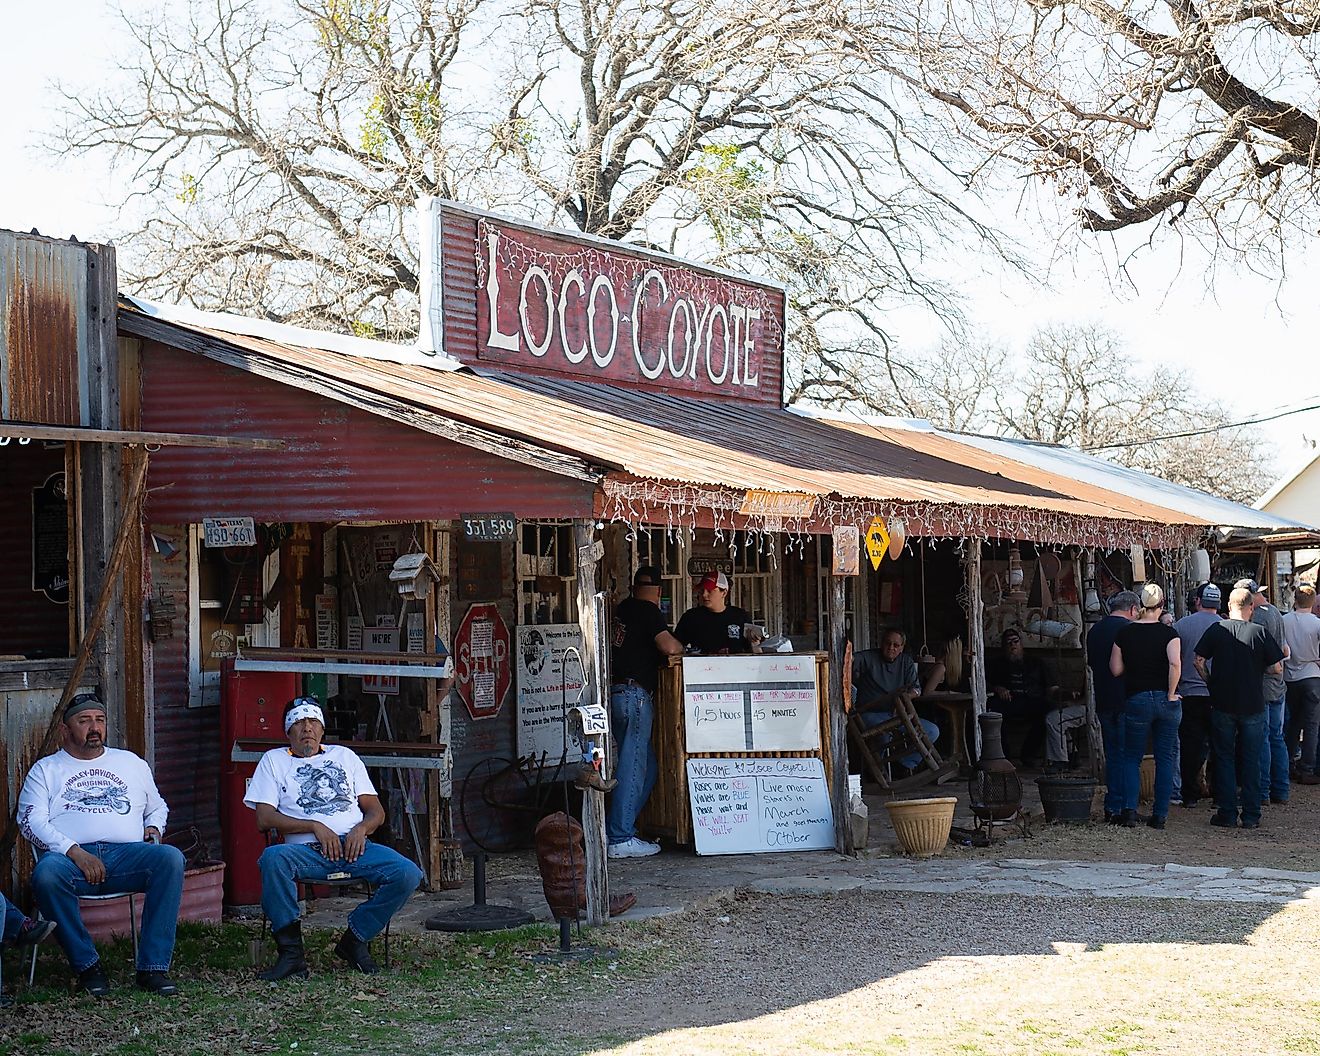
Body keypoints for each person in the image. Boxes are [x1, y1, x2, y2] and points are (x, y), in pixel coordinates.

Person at [18, 692, 185, 998]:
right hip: (68, 859)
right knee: (46, 875)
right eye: (84, 721)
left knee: (170, 859)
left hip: (126, 856)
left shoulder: (130, 762)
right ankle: (87, 967)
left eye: (99, 720)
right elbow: (31, 822)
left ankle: (153, 968)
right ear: (65, 731)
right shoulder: (46, 770)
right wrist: (75, 852)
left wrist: (153, 828)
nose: (94, 727)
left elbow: (157, 806)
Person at [246, 698, 424, 980]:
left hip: (355, 847)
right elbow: (264, 818)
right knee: (272, 859)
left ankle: (356, 939)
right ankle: (291, 955)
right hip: (307, 852)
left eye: (313, 722)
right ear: (288, 731)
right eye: (299, 722)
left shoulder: (345, 756)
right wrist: (314, 825)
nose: (307, 728)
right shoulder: (274, 761)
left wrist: (361, 830)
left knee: (407, 873)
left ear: (322, 729)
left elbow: (376, 811)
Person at [607, 565, 684, 859]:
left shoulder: (623, 608)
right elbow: (668, 647)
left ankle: (617, 826)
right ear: (659, 591)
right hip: (635, 696)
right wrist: (683, 647)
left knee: (646, 766)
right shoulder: (648, 611)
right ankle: (620, 837)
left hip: (615, 693)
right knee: (634, 766)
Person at [1194, 587, 1285, 829]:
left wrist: (1210, 682)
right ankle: (1252, 814)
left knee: (1224, 757)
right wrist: (1256, 670)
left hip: (1223, 702)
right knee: (1251, 758)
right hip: (1253, 703)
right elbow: (1277, 668)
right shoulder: (1260, 632)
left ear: (1228, 606)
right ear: (1251, 607)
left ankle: (1227, 812)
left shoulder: (1217, 630)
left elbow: (1199, 660)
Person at [1110, 583, 1181, 829]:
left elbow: (1116, 669)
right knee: (1165, 758)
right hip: (1165, 698)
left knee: (1132, 757)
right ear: (1161, 606)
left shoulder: (1125, 634)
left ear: (1140, 605)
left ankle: (1129, 810)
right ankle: (1159, 815)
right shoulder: (1169, 634)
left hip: (1137, 697)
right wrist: (1172, 693)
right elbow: (1175, 664)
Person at [851, 627, 942, 770]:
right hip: (869, 714)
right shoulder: (868, 658)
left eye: (896, 645)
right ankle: (876, 771)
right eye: (887, 643)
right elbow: (849, 659)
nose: (891, 648)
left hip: (896, 714)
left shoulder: (906, 662)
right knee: (882, 736)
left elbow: (917, 689)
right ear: (881, 643)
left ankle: (904, 765)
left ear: (901, 648)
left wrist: (905, 697)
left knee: (932, 731)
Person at [1086, 590, 1141, 823]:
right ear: (1133, 610)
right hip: (1126, 697)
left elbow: (1092, 663)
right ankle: (1124, 806)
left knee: (1113, 754)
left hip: (1104, 697)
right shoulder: (1129, 630)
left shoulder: (1095, 631)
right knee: (1128, 756)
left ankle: (1113, 805)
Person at [1236, 578, 1291, 805]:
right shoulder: (1276, 612)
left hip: (1263, 683)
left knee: (1263, 739)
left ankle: (1264, 791)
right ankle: (1281, 789)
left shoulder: (1258, 617)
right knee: (1276, 737)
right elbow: (1285, 649)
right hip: (1278, 684)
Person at [1174, 582, 1223, 809]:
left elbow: (1173, 659)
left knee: (1190, 746)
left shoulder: (1182, 625)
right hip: (1217, 695)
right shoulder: (1225, 626)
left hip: (1189, 694)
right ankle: (1219, 794)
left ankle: (1190, 794)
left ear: (1197, 601)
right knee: (1220, 746)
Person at [986, 628, 1060, 766]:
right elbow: (984, 682)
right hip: (1008, 702)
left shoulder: (1036, 662)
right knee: (992, 711)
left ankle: (1028, 755)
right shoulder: (996, 664)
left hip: (1032, 701)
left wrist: (1061, 695)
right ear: (1003, 646)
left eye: (1015, 641)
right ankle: (1003, 756)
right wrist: (997, 688)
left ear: (1021, 643)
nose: (1012, 645)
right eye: (1008, 643)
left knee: (1050, 711)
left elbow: (1051, 686)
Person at [1282, 584, 1320, 785]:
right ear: (1313, 602)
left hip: (1290, 676)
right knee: (1312, 725)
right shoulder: (1316, 624)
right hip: (1312, 674)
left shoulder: (1284, 620)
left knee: (1293, 722)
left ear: (1294, 599)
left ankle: (1286, 764)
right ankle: (1307, 768)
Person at [674, 572, 763, 655]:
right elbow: (676, 647)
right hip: (702, 669)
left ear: (724, 593)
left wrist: (754, 642)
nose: (704, 594)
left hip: (736, 669)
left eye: (709, 590)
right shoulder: (691, 617)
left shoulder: (740, 616)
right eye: (702, 590)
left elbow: (755, 652)